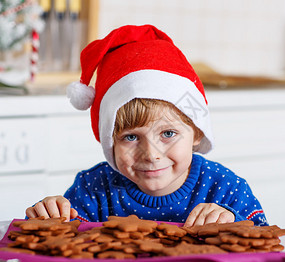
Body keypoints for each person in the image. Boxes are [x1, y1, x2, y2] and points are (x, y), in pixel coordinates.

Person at [25, 24, 268, 227]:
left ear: (197, 131)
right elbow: (55, 236)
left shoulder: (225, 187)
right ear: (110, 141)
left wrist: (233, 222)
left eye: (168, 133)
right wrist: (48, 214)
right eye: (130, 137)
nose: (151, 155)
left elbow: (265, 243)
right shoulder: (93, 190)